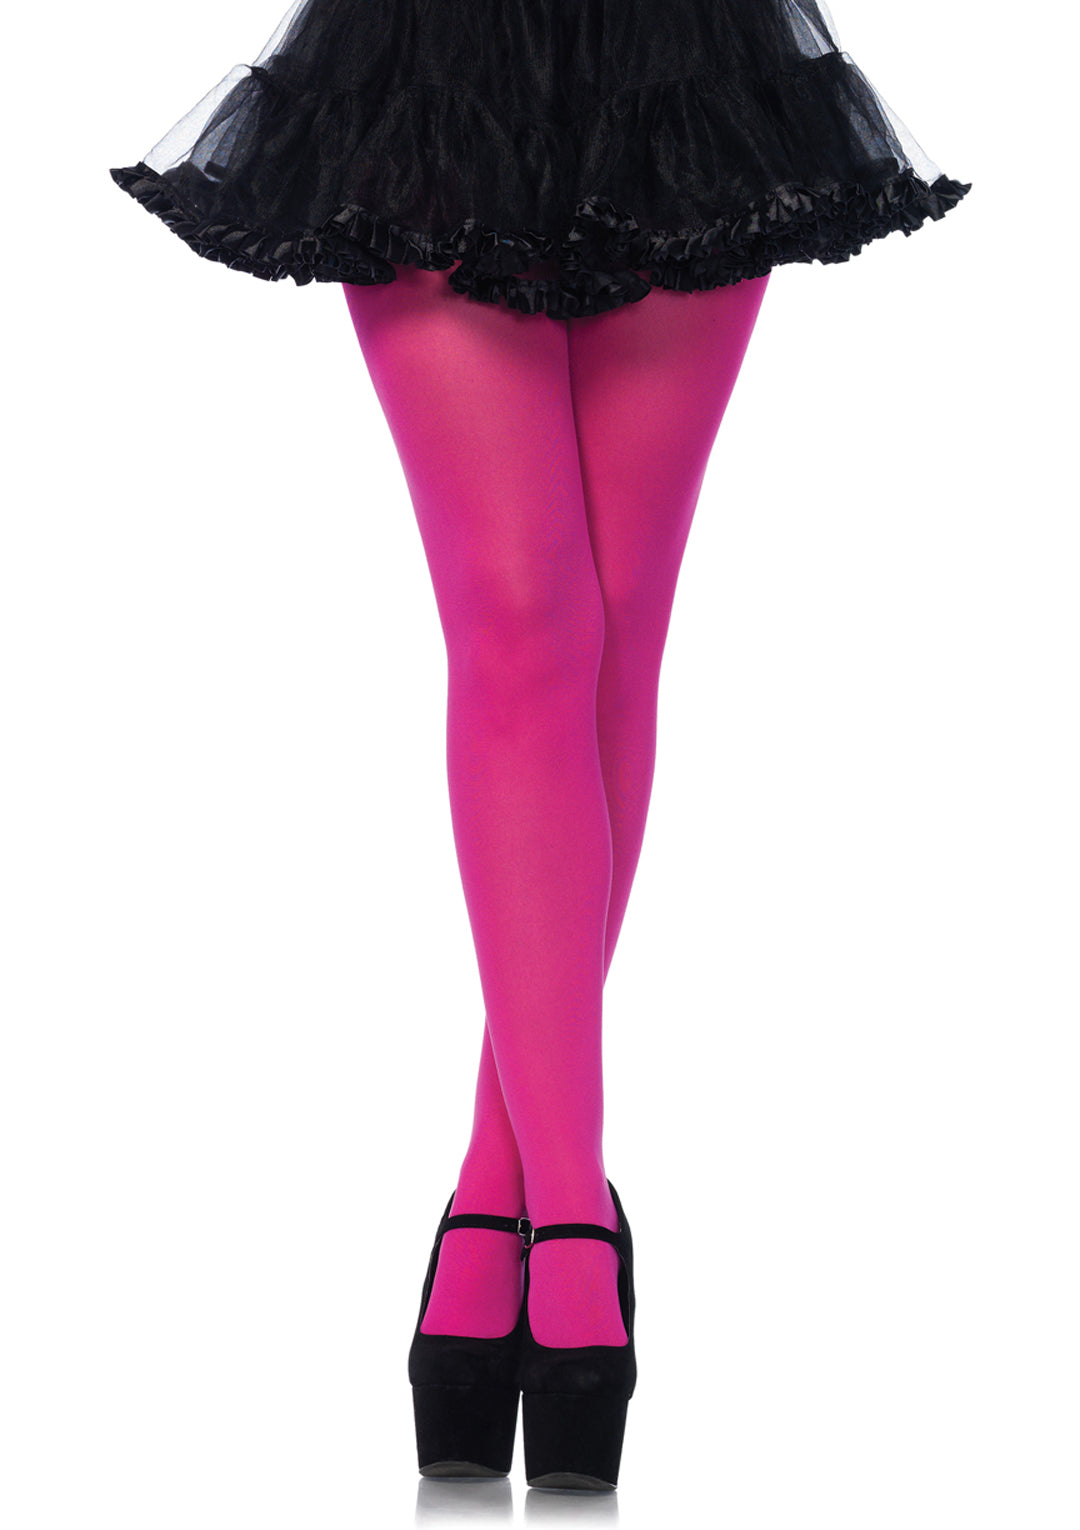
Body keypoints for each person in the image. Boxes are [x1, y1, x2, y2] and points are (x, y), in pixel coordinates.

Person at [108, 0, 971, 1492]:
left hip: (682, 49)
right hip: (430, 50)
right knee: (522, 621)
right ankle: (571, 1211)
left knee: (616, 632)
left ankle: (487, 1195)